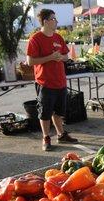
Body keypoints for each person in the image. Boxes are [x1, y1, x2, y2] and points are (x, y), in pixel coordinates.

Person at [26, 8, 78, 151]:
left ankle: (61, 134)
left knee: (59, 112)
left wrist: (61, 57)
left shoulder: (58, 37)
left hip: (60, 81)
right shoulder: (35, 38)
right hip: (45, 82)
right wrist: (50, 57)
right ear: (45, 21)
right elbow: (30, 61)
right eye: (54, 19)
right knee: (45, 112)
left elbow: (66, 56)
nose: (56, 22)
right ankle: (46, 137)